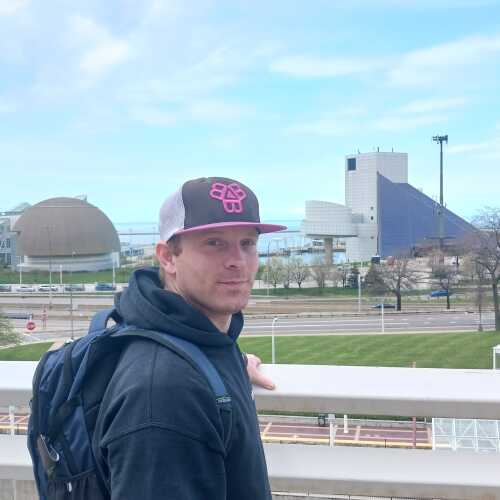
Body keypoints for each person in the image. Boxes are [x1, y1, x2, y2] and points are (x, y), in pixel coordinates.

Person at [92, 177, 286, 499]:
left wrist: (230, 364)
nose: (237, 261)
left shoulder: (200, 345)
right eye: (215, 243)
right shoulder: (164, 394)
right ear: (168, 257)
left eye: (247, 243)